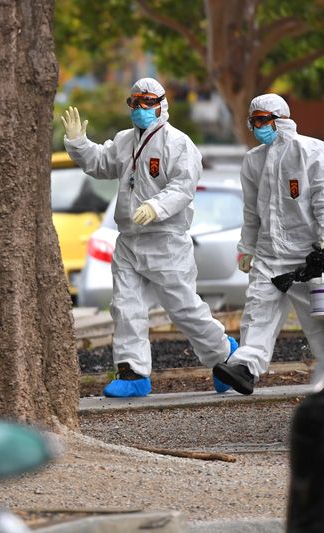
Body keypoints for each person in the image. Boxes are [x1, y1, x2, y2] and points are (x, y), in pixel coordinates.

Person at [61, 77, 237, 398]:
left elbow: (183, 188)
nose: (141, 109)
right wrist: (79, 144)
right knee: (126, 307)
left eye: (147, 102)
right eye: (135, 103)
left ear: (161, 104)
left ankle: (223, 354)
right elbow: (101, 163)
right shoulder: (125, 141)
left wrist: (156, 207)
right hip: (128, 239)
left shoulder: (178, 144)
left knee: (182, 308)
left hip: (165, 240)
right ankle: (133, 373)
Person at [213, 93, 324, 395]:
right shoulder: (253, 160)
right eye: (253, 121)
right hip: (270, 255)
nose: (257, 126)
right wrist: (247, 247)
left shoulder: (311, 151)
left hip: (308, 256)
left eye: (262, 120)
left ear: (280, 120)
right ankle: (244, 368)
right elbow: (251, 211)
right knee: (258, 312)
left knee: (319, 324)